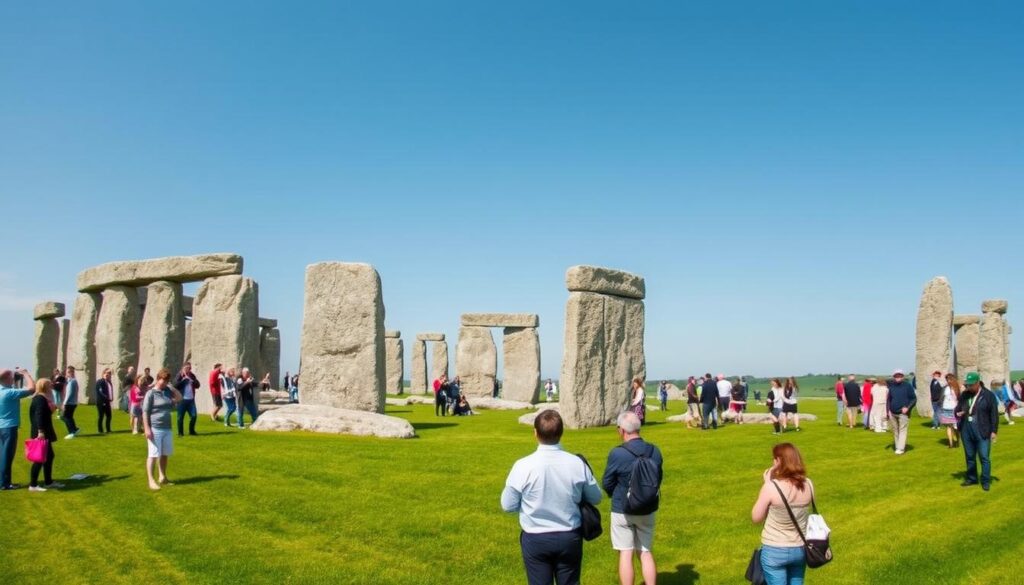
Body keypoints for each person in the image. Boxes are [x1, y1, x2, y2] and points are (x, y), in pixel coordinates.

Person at [501, 410, 602, 585]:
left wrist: (528, 505)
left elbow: (508, 504)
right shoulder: (577, 463)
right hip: (569, 534)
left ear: (535, 433)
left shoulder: (523, 465)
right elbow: (596, 497)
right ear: (561, 433)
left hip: (535, 536)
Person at [602, 411, 663, 585]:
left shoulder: (617, 453)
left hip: (623, 508)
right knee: (645, 551)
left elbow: (607, 482)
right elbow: (658, 478)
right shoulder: (654, 451)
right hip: (648, 507)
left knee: (625, 552)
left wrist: (615, 494)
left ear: (621, 430)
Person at [751, 443, 816, 585]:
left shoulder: (771, 487)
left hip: (774, 548)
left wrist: (767, 482)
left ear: (779, 461)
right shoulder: (809, 484)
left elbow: (756, 517)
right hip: (800, 547)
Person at [955, 373, 998, 491]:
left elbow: (994, 414)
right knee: (969, 456)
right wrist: (958, 412)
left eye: (971, 385)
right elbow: (958, 408)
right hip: (966, 429)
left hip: (982, 429)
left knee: (984, 457)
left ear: (978, 383)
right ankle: (972, 478)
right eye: (967, 385)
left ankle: (985, 480)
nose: (969, 387)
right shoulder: (964, 395)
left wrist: (994, 431)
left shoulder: (988, 395)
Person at [143, 368, 182, 490]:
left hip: (167, 428)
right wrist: (147, 428)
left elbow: (180, 398)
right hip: (155, 428)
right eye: (162, 380)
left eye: (166, 381)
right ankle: (151, 480)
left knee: (164, 454)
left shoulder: (167, 391)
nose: (163, 383)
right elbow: (145, 412)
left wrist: (172, 387)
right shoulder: (151, 393)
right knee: (153, 454)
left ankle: (163, 477)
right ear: (158, 379)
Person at [1, 367, 36, 490]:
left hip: (1, 426)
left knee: (2, 454)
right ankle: (4, 483)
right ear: (6, 378)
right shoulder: (9, 393)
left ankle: (5, 481)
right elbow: (32, 389)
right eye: (11, 377)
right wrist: (26, 373)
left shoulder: (5, 391)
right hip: (9, 427)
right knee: (7, 455)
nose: (13, 378)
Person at [28, 378, 63, 492]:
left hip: (44, 430)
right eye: (49, 385)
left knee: (49, 456)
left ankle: (48, 481)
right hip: (41, 432)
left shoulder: (43, 398)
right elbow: (39, 415)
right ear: (44, 386)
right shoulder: (40, 399)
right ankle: (33, 485)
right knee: (39, 458)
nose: (51, 386)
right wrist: (40, 431)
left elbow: (44, 414)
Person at [886, 369, 916, 455]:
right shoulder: (891, 386)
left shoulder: (907, 386)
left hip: (903, 413)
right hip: (892, 412)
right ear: (894, 377)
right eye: (896, 376)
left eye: (899, 376)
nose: (897, 377)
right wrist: (887, 411)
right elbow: (889, 400)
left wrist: (908, 407)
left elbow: (913, 398)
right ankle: (897, 446)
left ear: (902, 376)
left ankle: (901, 448)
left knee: (902, 430)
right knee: (895, 430)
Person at [173, 362, 201, 437]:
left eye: (190, 368)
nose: (188, 369)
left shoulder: (192, 375)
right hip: (182, 400)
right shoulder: (179, 375)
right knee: (180, 417)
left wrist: (193, 381)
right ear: (183, 368)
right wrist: (184, 381)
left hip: (191, 400)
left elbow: (198, 385)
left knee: (194, 416)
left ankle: (191, 431)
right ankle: (180, 433)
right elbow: (175, 385)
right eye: (187, 368)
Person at [940, 374, 961, 448]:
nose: (948, 381)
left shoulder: (956, 388)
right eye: (947, 379)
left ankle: (958, 440)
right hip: (946, 408)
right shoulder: (945, 388)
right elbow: (942, 397)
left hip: (954, 409)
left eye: (949, 379)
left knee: (955, 427)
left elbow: (959, 398)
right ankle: (951, 443)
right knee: (949, 426)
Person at [61, 366, 81, 439]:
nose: (68, 374)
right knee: (69, 417)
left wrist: (64, 403)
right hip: (72, 402)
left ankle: (71, 432)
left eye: (70, 372)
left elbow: (69, 393)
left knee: (65, 417)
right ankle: (75, 429)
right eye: (67, 372)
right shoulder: (70, 381)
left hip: (70, 403)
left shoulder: (72, 381)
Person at [95, 368, 114, 433]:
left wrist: (111, 398)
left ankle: (108, 429)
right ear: (103, 374)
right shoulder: (100, 381)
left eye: (109, 373)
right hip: (101, 401)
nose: (108, 374)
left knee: (109, 416)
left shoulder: (109, 382)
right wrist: (106, 397)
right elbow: (100, 391)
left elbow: (110, 391)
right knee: (101, 416)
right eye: (106, 373)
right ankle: (100, 430)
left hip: (107, 401)